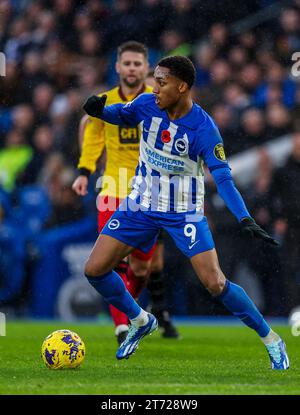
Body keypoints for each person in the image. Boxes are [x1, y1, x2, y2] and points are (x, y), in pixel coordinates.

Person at [82, 55, 289, 369]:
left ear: (182, 87)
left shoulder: (204, 129)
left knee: (215, 283)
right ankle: (140, 319)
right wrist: (100, 111)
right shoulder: (147, 104)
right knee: (94, 270)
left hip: (183, 213)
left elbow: (223, 178)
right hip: (141, 205)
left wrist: (244, 217)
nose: (155, 88)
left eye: (162, 83)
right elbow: (121, 116)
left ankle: (272, 339)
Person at [72, 41, 179, 344]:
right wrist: (83, 172)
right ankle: (122, 327)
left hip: (150, 193)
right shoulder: (102, 102)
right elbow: (93, 137)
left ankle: (130, 313)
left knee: (143, 267)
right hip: (113, 188)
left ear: (146, 68)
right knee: (111, 263)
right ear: (118, 67)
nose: (132, 68)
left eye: (137, 64)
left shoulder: (157, 100)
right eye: (127, 63)